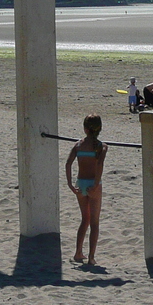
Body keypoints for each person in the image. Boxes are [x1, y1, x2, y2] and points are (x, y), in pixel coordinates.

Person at [64, 113, 107, 265]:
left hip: (80, 183)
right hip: (93, 184)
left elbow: (68, 164)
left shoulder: (78, 145)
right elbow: (100, 165)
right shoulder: (101, 147)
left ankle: (78, 252)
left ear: (85, 129)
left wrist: (70, 183)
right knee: (94, 222)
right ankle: (91, 257)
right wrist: (95, 184)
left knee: (85, 220)